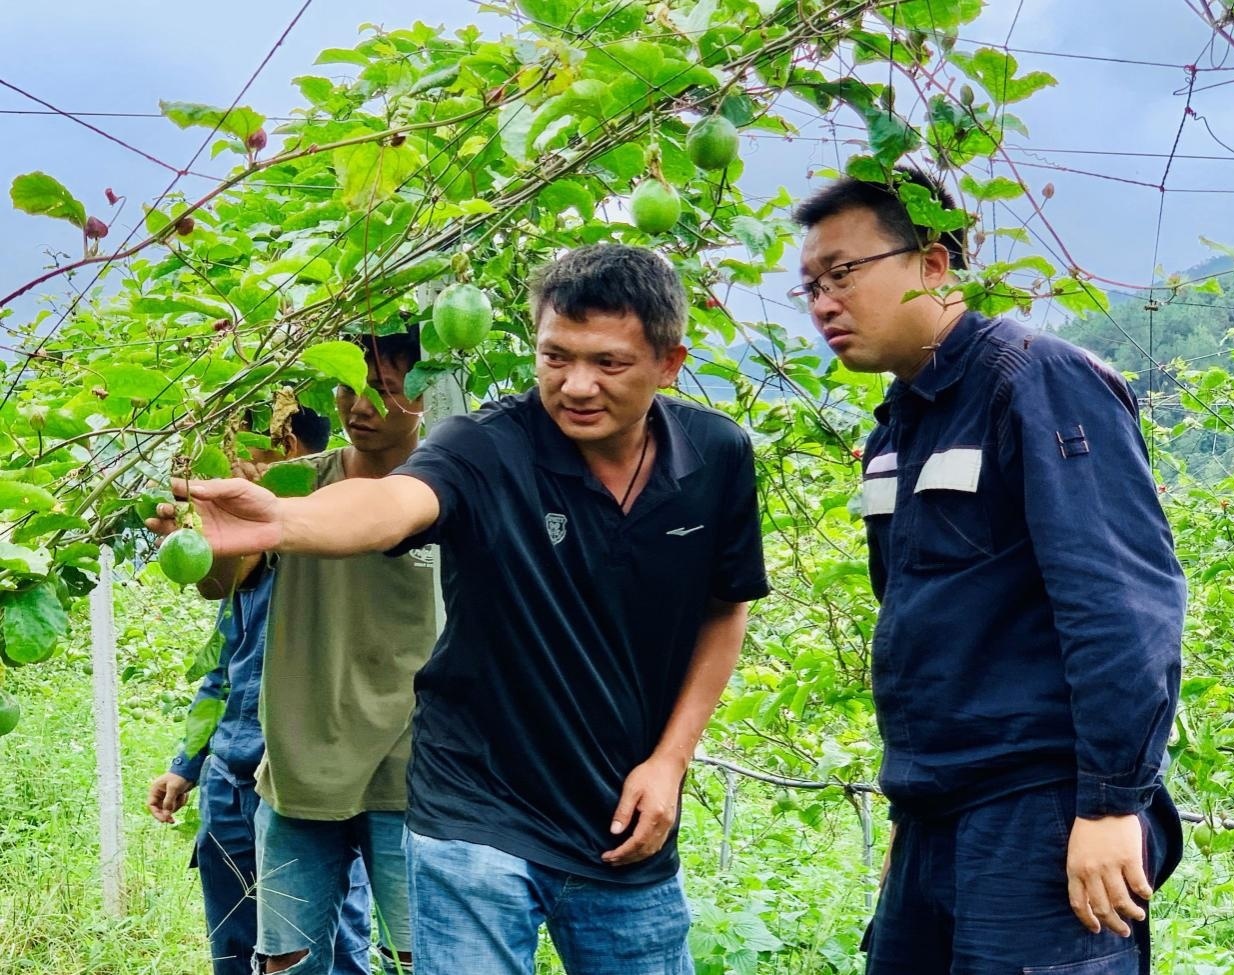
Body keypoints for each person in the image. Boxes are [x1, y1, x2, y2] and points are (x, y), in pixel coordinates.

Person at [149, 243, 769, 974]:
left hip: (618, 813)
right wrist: (283, 520)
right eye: (554, 357)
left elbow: (725, 609)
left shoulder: (716, 453)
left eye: (607, 363)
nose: (575, 385)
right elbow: (392, 501)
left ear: (669, 362)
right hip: (475, 806)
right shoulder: (485, 445)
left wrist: (670, 760)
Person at [789, 166, 1186, 973]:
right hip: (937, 814)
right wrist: (913, 800)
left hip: (1037, 810)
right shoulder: (900, 425)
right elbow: (921, 617)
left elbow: (1121, 603)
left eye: (842, 273)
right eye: (810, 285)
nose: (824, 301)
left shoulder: (1034, 380)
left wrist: (1112, 804)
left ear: (934, 264)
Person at [147, 406, 375, 975]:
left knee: (322, 950)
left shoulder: (347, 544)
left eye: (247, 451)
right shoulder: (242, 555)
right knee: (233, 944)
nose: (235, 470)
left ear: (293, 451)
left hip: (312, 789)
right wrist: (189, 762)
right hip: (233, 778)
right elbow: (226, 660)